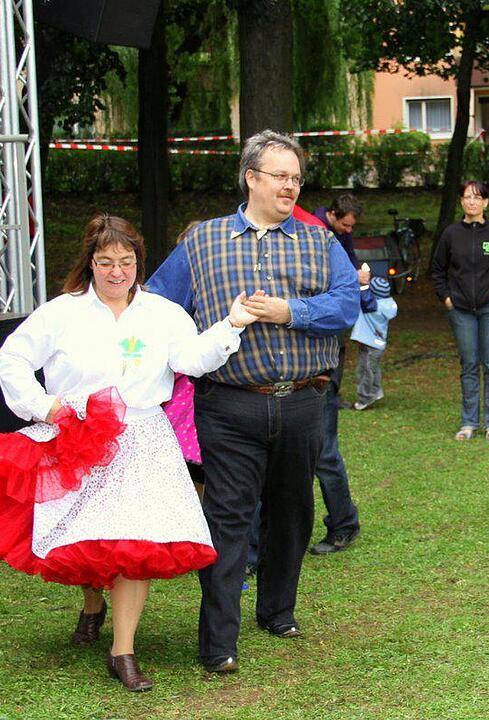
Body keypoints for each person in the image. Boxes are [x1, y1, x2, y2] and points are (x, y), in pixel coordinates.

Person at [0, 215, 256, 691]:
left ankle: (123, 651)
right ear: (90, 264)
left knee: (134, 542)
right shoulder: (62, 312)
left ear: (139, 262)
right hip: (78, 438)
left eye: (126, 261)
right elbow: (11, 359)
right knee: (87, 534)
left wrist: (230, 325)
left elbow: (189, 360)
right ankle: (92, 602)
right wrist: (44, 406)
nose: (117, 272)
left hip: (142, 437)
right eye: (105, 262)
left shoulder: (162, 313)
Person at [148, 130, 359, 673]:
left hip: (304, 402)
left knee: (292, 513)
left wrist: (290, 311)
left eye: (296, 177)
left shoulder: (319, 241)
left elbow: (345, 306)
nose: (290, 186)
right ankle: (219, 642)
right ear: (251, 177)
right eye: (280, 176)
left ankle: (277, 610)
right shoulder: (204, 242)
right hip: (230, 405)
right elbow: (156, 305)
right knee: (228, 519)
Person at [293, 194, 366, 554]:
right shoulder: (313, 230)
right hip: (298, 371)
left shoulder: (321, 236)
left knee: (324, 453)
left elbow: (345, 303)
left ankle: (343, 524)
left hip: (320, 368)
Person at [431, 180, 489, 442]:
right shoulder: (450, 234)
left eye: (477, 197)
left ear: (486, 202)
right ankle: (469, 422)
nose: (472, 201)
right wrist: (446, 298)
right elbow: (437, 270)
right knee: (469, 364)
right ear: (461, 201)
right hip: (461, 310)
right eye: (467, 197)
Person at [351, 276, 398, 411]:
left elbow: (365, 299)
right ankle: (376, 391)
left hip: (371, 344)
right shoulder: (387, 304)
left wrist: (363, 285)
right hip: (374, 344)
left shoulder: (373, 306)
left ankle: (365, 398)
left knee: (365, 371)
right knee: (373, 368)